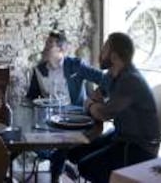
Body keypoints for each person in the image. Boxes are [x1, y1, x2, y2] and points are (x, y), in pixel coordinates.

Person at [67, 32, 160, 183]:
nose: (100, 54)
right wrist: (93, 104)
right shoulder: (111, 74)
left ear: (114, 56)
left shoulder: (130, 80)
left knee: (87, 166)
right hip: (121, 136)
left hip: (139, 147)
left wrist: (90, 105)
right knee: (75, 152)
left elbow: (103, 113)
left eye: (104, 50)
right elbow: (97, 95)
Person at [26, 31, 107, 183]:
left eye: (49, 45)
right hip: (50, 121)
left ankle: (56, 172)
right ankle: (60, 166)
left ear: (61, 50)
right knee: (38, 140)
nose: (44, 48)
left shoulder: (75, 65)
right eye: (45, 44)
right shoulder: (39, 69)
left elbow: (103, 78)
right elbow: (31, 97)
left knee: (63, 141)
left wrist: (96, 97)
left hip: (76, 119)